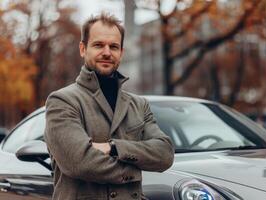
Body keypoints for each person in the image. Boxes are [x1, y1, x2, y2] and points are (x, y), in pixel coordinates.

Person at [44, 12, 174, 200]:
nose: (107, 52)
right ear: (83, 49)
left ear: (121, 52)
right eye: (98, 45)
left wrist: (113, 148)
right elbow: (79, 162)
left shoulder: (139, 104)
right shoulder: (62, 101)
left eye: (113, 46)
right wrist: (136, 169)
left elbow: (165, 154)